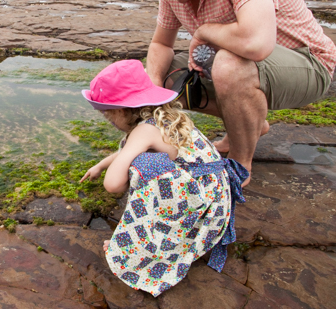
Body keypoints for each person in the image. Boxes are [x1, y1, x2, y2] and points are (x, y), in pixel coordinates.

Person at [131, 0, 336, 186]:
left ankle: (240, 165)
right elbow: (161, 45)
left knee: (229, 64)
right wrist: (155, 90)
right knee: (167, 74)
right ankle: (250, 126)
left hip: (308, 63)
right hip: (242, 66)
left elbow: (256, 43)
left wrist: (204, 31)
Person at [80, 60, 249, 297]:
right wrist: (101, 164)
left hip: (198, 210)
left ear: (121, 110)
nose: (110, 123)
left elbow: (113, 185)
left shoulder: (143, 131)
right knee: (144, 159)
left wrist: (113, 169)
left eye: (109, 118)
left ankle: (141, 249)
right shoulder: (167, 117)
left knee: (143, 165)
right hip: (216, 202)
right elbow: (133, 148)